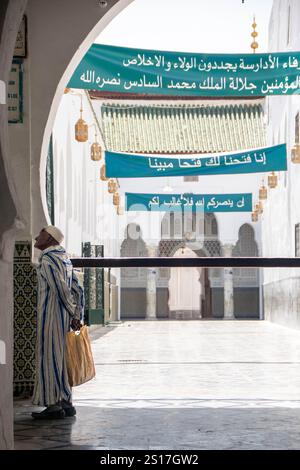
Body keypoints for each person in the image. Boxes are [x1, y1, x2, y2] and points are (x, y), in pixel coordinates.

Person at [31, 225, 84, 419]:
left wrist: (72, 312)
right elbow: (78, 290)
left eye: (41, 234)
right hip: (63, 319)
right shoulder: (65, 259)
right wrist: (77, 314)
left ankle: (53, 405)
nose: (37, 237)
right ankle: (66, 402)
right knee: (61, 359)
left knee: (49, 358)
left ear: (50, 238)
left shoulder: (48, 259)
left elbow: (60, 290)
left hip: (51, 317)